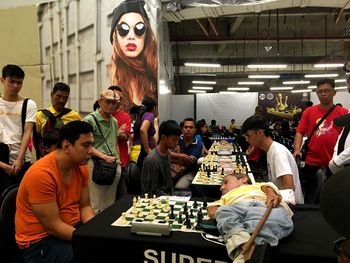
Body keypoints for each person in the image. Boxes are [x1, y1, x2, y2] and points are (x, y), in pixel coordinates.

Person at [15, 121, 95, 263]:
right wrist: (87, 238)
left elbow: (85, 207)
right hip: (40, 240)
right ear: (66, 146)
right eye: (85, 145)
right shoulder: (41, 175)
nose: (91, 151)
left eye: (91, 145)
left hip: (70, 229)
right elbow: (53, 226)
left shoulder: (81, 166)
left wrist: (95, 233)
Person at [207, 173, 293, 263]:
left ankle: (246, 253)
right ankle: (249, 247)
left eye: (226, 182)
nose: (222, 187)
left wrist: (270, 192)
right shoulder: (224, 197)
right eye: (221, 186)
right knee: (222, 212)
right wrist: (214, 208)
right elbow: (213, 211)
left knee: (268, 222)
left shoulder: (256, 186)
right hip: (238, 206)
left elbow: (269, 188)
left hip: (263, 204)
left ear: (244, 179)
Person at [293, 78, 348, 203]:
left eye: (327, 91)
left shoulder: (343, 113)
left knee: (334, 196)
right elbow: (299, 132)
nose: (323, 94)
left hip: (336, 163)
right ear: (317, 93)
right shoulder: (309, 112)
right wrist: (297, 150)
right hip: (312, 161)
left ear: (334, 92)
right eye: (320, 91)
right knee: (311, 196)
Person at [242, 115, 304, 204]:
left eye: (248, 135)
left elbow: (289, 189)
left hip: (291, 207)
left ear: (259, 133)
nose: (247, 140)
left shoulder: (278, 153)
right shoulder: (271, 150)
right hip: (281, 201)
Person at [109, 0, 158, 111]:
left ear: (147, 35)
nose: (131, 36)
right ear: (115, 35)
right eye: (123, 29)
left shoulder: (157, 76)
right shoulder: (115, 86)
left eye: (139, 28)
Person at [83, 90, 121, 213]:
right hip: (96, 164)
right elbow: (86, 145)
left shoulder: (114, 121)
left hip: (112, 164)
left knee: (110, 202)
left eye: (114, 103)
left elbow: (114, 142)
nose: (111, 105)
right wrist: (104, 157)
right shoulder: (90, 120)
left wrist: (118, 162)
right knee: (95, 202)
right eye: (108, 102)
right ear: (100, 101)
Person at [0, 64, 37, 185]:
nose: (15, 86)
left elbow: (28, 132)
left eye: (19, 82)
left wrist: (19, 160)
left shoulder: (29, 104)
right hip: (1, 157)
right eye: (11, 81)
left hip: (21, 160)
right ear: (2, 80)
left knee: (20, 198)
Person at [35, 82, 81, 158]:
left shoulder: (74, 116)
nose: (61, 100)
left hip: (68, 157)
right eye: (58, 96)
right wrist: (43, 157)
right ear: (52, 95)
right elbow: (37, 139)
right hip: (48, 157)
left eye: (65, 97)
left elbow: (79, 138)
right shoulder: (40, 115)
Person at [141, 120, 181, 196]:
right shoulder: (152, 160)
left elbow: (168, 184)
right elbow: (151, 192)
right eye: (174, 140)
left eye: (177, 140)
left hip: (167, 195)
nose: (176, 143)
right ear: (164, 137)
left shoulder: (167, 153)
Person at [109, 85, 132, 199]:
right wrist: (117, 131)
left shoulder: (125, 116)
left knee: (121, 195)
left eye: (120, 98)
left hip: (121, 160)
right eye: (116, 97)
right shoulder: (99, 116)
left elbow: (125, 135)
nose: (118, 101)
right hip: (104, 162)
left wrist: (112, 133)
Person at [170, 118, 203, 190]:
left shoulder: (198, 144)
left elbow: (190, 161)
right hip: (172, 170)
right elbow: (166, 152)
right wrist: (181, 156)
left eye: (191, 127)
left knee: (179, 188)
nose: (188, 129)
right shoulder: (177, 139)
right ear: (182, 129)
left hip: (189, 171)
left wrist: (172, 158)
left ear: (194, 130)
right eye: (186, 127)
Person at [329, 74, 350, 174]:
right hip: (342, 166)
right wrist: (335, 158)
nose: (348, 88)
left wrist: (338, 161)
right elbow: (343, 134)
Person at [130, 96, 157, 169]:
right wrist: (147, 149)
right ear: (154, 108)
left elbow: (151, 136)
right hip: (142, 153)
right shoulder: (150, 115)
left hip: (135, 151)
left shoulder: (140, 116)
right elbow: (143, 130)